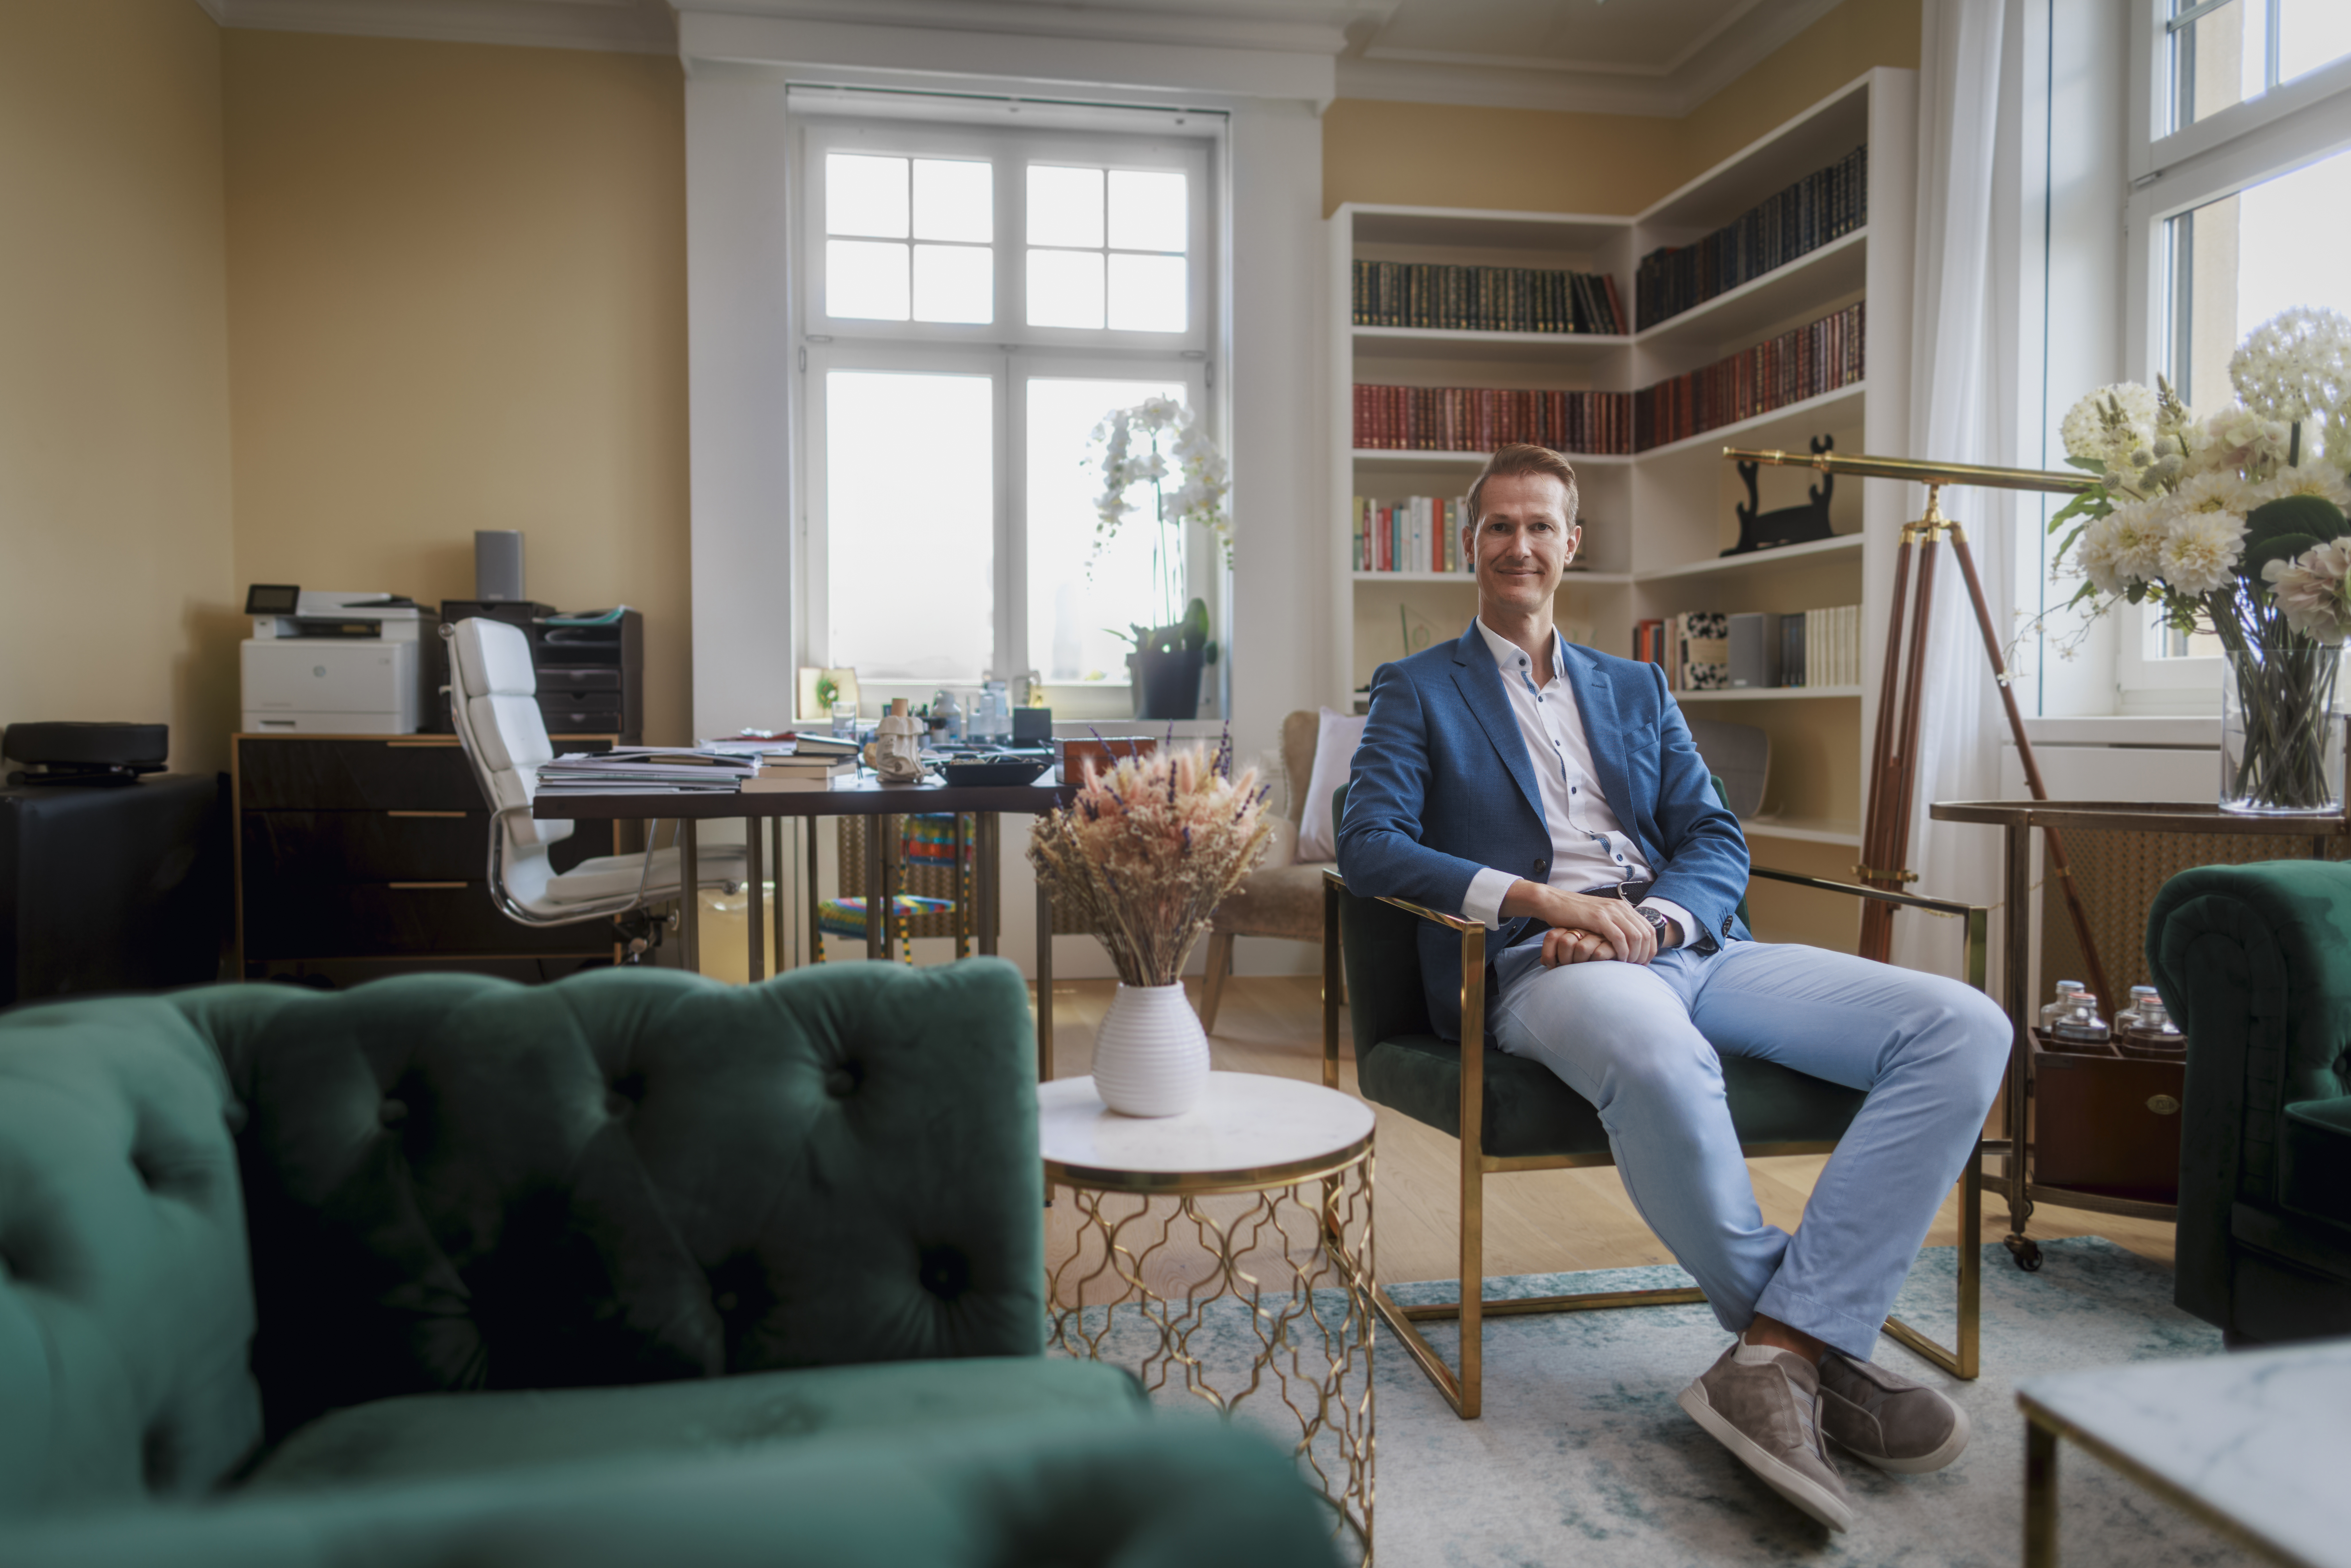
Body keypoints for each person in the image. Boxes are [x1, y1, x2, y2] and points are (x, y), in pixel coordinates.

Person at [1336, 443, 2008, 1532]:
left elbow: (1712, 837)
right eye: (1498, 526)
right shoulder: (1417, 689)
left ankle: (1781, 1353)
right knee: (1655, 1053)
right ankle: (1809, 1348)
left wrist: (1652, 921)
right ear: (1472, 546)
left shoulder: (1637, 685)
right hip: (1539, 967)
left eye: (1540, 526)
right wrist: (1546, 906)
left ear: (1573, 543)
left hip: (1689, 944)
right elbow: (1367, 846)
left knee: (1962, 1026)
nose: (1520, 545)